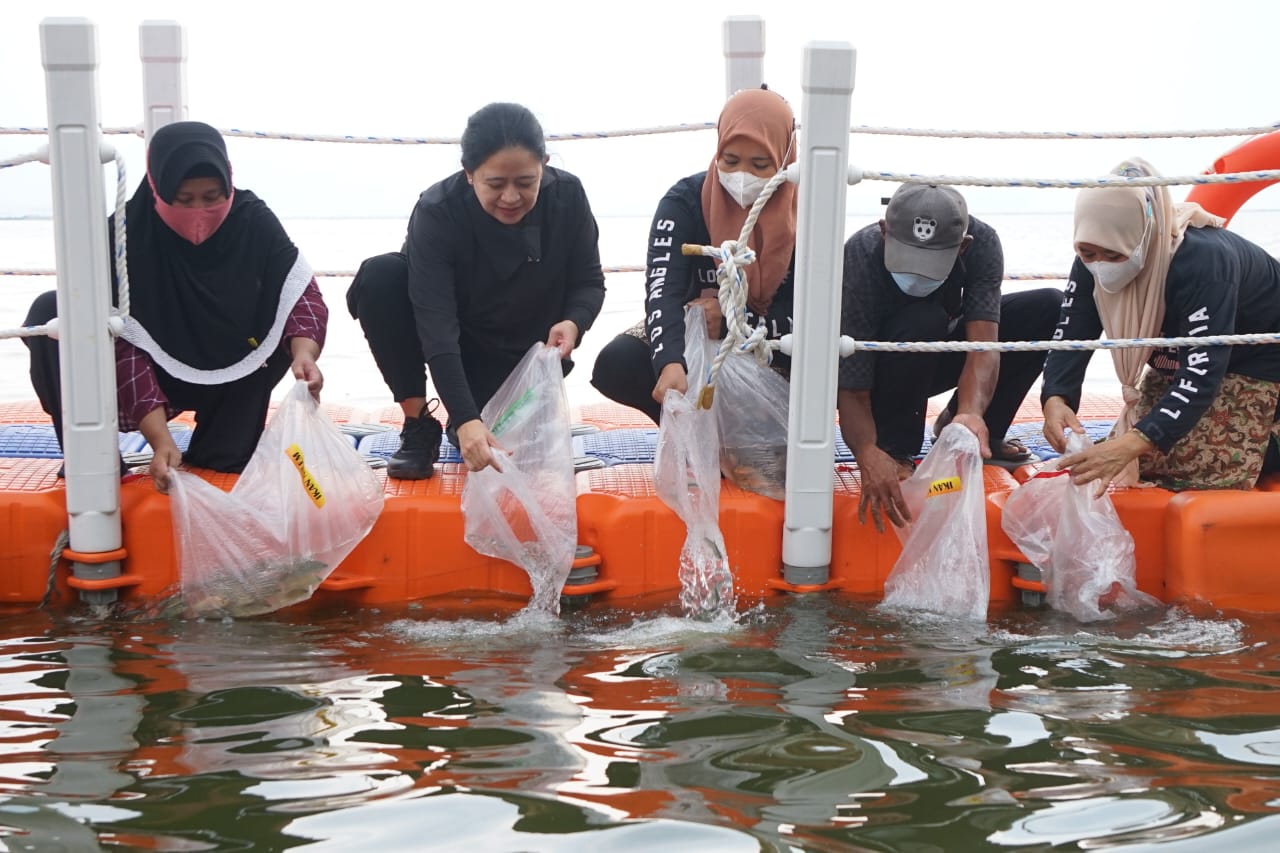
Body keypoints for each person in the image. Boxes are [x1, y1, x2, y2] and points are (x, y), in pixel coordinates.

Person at [23, 120, 327, 493]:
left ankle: (219, 447)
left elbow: (301, 295)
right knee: (52, 310)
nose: (199, 211)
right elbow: (122, 344)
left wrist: (304, 354)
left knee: (225, 464)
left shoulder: (252, 219)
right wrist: (159, 440)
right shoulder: (124, 235)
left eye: (213, 196)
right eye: (183, 200)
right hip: (149, 369)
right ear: (157, 188)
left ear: (229, 183)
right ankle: (95, 459)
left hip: (231, 369)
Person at [347, 102, 605, 477]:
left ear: (544, 165)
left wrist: (574, 322)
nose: (512, 198)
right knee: (381, 276)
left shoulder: (568, 197)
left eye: (526, 182)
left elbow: (588, 281)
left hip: (526, 358)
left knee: (514, 455)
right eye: (496, 184)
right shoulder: (438, 211)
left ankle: (486, 414)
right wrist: (466, 417)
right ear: (469, 174)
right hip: (460, 347)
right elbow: (436, 326)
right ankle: (418, 423)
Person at [1042, 157, 1280, 493]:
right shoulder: (1091, 257)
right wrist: (1056, 397)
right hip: (1179, 359)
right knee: (1137, 459)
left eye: (1114, 256)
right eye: (1088, 252)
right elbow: (1072, 332)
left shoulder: (1204, 262)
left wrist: (1134, 442)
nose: (1101, 265)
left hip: (1259, 359)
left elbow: (1203, 368)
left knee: (1193, 468)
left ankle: (1271, 438)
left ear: (1144, 235)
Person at [838, 183, 1063, 532]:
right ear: (884, 232)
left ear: (962, 247)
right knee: (920, 317)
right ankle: (896, 448)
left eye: (928, 266)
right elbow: (850, 380)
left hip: (938, 352)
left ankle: (972, 427)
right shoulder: (859, 254)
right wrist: (867, 451)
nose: (915, 276)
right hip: (880, 371)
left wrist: (971, 412)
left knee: (1049, 305)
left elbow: (983, 343)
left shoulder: (983, 243)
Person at [590, 86, 798, 423]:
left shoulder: (807, 215)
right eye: (730, 160)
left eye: (760, 164)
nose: (742, 175)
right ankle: (693, 437)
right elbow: (662, 290)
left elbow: (814, 315)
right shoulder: (684, 201)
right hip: (695, 332)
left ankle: (759, 438)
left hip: (771, 342)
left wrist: (735, 323)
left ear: (786, 158)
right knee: (619, 362)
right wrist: (670, 362)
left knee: (840, 366)